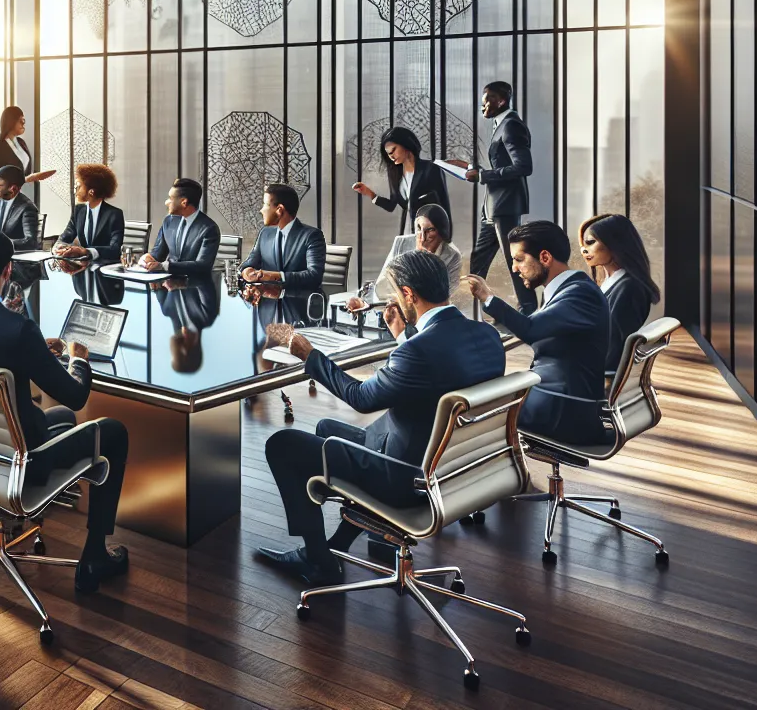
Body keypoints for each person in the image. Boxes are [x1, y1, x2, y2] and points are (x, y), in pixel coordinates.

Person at [257, 250, 506, 585]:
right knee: (326, 428)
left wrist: (310, 355)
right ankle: (337, 545)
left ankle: (317, 561)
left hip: (406, 478)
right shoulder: (487, 336)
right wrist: (402, 335)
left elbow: (361, 398)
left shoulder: (416, 352)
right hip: (454, 468)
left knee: (282, 444)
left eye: (395, 292)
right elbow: (441, 370)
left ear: (408, 294)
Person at [0, 227, 131, 593]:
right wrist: (77, 359)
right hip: (22, 460)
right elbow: (75, 395)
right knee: (113, 431)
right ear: (9, 270)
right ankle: (95, 554)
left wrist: (37, 352)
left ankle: (20, 511)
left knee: (62, 420)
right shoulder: (18, 328)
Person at [465, 220, 610, 445]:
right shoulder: (569, 288)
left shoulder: (580, 294)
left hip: (564, 411)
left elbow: (531, 329)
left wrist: (487, 297)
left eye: (519, 259)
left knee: (467, 413)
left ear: (545, 257)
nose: (514, 268)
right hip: (557, 400)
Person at [448, 81, 536, 313]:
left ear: (501, 101)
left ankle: (528, 309)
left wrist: (482, 176)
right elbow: (503, 166)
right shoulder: (502, 125)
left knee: (514, 260)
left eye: (486, 101)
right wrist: (470, 168)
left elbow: (523, 166)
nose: (482, 106)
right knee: (479, 260)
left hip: (505, 205)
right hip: (494, 206)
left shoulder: (511, 125)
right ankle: (473, 310)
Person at [579, 213, 661, 381]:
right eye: (583, 244)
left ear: (614, 243)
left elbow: (612, 349)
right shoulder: (614, 282)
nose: (584, 250)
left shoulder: (629, 289)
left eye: (591, 242)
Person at [345, 203, 462, 313]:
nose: (422, 238)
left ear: (442, 231)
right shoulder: (401, 243)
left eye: (430, 230)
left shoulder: (452, 257)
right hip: (390, 307)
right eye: (419, 229)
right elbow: (383, 285)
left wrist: (420, 258)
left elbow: (443, 299)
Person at [352, 126, 451, 233]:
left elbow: (444, 204)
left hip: (429, 232)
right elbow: (391, 205)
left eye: (393, 150)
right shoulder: (395, 175)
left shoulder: (431, 169)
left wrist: (446, 235)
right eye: (388, 153)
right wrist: (369, 193)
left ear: (406, 144)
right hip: (406, 230)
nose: (390, 156)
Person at [239, 183, 327, 290]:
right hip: (267, 298)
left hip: (298, 298)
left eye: (265, 205)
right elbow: (249, 263)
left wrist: (271, 276)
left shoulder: (312, 236)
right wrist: (246, 271)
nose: (261, 210)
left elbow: (314, 276)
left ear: (279, 210)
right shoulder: (265, 233)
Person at [140, 177, 218, 275]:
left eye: (170, 198)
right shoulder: (169, 221)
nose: (166, 202)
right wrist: (147, 258)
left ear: (184, 202)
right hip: (168, 282)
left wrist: (165, 266)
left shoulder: (209, 229)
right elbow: (158, 254)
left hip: (194, 283)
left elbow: (203, 266)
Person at [52, 163, 124, 262]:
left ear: (91, 192)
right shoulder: (78, 211)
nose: (75, 192)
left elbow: (115, 249)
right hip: (82, 267)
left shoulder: (114, 214)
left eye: (78, 187)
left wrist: (87, 252)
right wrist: (59, 247)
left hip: (104, 266)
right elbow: (65, 237)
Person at [0, 164, 41, 250]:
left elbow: (30, 241)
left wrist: (0, 244)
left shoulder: (27, 208)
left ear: (13, 189)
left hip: (14, 255)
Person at [0, 105, 55, 185]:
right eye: (21, 121)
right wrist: (28, 179)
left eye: (24, 121)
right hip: (8, 191)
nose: (23, 124)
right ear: (11, 121)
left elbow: (27, 171)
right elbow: (1, 176)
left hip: (25, 189)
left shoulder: (21, 142)